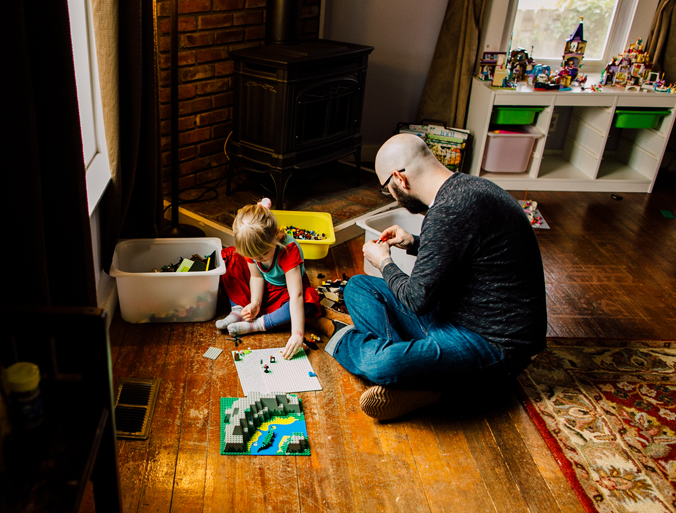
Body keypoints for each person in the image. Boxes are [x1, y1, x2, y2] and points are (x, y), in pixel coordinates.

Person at [313, 134, 547, 421]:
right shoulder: (468, 189)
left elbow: (416, 300)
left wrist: (384, 261)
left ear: (399, 178)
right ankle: (421, 381)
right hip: (454, 316)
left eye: (388, 189)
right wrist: (413, 241)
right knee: (360, 287)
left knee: (384, 363)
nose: (392, 195)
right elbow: (465, 251)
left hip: (494, 345)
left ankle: (345, 338)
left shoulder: (449, 210)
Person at [216, 198, 322, 359]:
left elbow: (296, 296)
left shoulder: (288, 250)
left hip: (286, 291)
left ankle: (258, 324)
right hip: (263, 287)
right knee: (228, 257)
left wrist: (297, 334)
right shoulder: (254, 249)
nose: (258, 259)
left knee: (308, 300)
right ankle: (238, 309)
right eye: (253, 257)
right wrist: (255, 303)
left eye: (263, 255)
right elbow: (256, 277)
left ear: (274, 237)